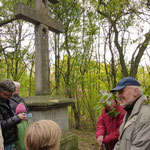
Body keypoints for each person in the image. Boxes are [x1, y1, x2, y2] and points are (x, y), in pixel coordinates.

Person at [110, 77, 150, 150]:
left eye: (121, 91)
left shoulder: (146, 115)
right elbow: (120, 142)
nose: (118, 96)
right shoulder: (129, 112)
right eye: (118, 92)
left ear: (136, 92)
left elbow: (139, 148)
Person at [0, 79, 27, 150]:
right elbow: (1, 125)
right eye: (8, 95)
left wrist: (19, 118)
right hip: (3, 141)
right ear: (1, 92)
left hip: (10, 139)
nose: (10, 97)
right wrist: (17, 118)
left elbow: (8, 117)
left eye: (11, 95)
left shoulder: (6, 99)